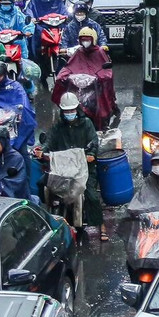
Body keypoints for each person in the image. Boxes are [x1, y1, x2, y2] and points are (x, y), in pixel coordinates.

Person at [34, 93, 106, 239]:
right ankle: (48, 216)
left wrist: (91, 154)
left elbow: (93, 142)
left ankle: (101, 224)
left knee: (91, 196)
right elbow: (48, 142)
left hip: (84, 169)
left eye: (71, 110)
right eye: (66, 111)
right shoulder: (58, 127)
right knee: (41, 183)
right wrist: (42, 150)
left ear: (77, 109)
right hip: (62, 169)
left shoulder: (87, 124)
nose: (69, 114)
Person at [52, 27, 119, 128]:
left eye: (87, 39)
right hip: (79, 89)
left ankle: (102, 123)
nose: (85, 42)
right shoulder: (79, 52)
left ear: (93, 39)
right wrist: (62, 76)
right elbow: (69, 66)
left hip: (95, 89)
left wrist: (100, 78)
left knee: (101, 108)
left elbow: (107, 71)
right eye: (83, 40)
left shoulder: (100, 52)